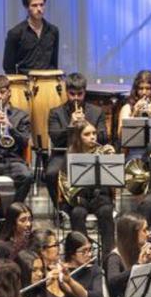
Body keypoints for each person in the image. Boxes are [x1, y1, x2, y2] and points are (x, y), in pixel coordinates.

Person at [46, 73, 108, 206]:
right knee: (51, 174)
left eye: (79, 94)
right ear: (66, 92)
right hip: (63, 153)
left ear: (85, 92)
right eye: (72, 94)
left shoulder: (97, 112)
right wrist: (70, 125)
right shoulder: (56, 113)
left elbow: (103, 138)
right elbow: (56, 139)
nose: (76, 98)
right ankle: (61, 209)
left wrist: (86, 126)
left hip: (90, 153)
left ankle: (96, 205)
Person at [60, 122, 117, 257]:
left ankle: (109, 257)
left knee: (106, 211)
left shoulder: (104, 152)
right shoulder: (71, 155)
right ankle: (84, 253)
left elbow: (113, 181)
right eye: (87, 134)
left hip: (101, 198)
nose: (92, 137)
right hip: (80, 198)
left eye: (94, 133)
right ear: (78, 138)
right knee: (77, 213)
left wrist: (112, 160)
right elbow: (63, 180)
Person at [2, 0, 59, 75]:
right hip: (25, 82)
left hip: (48, 81)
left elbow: (54, 61)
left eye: (42, 5)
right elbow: (8, 66)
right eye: (34, 5)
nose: (39, 9)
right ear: (27, 7)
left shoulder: (53, 31)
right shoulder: (15, 33)